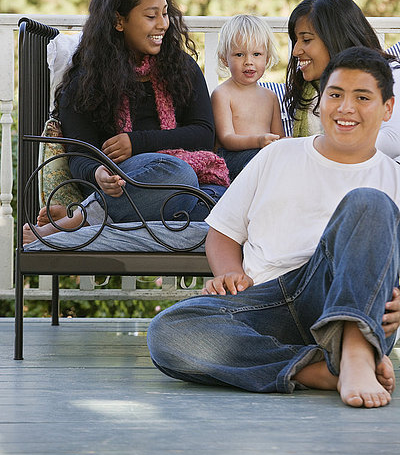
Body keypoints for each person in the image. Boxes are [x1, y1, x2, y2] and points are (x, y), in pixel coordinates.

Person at [147, 47, 400, 408]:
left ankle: (356, 352)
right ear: (322, 100)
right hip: (268, 301)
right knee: (169, 331)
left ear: (387, 108)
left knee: (368, 202)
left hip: (349, 301)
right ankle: (318, 369)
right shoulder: (278, 155)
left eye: (363, 97)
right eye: (336, 95)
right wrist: (230, 273)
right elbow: (223, 232)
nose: (346, 108)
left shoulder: (393, 178)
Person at [23, 0, 229, 244]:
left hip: (185, 180)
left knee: (213, 198)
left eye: (165, 13)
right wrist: (98, 173)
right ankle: (79, 220)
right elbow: (79, 154)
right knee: (178, 175)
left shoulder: (181, 67)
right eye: (150, 16)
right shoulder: (87, 81)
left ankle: (79, 218)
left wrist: (136, 142)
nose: (163, 24)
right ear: (119, 21)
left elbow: (204, 134)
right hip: (125, 183)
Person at [285, 0, 400, 158]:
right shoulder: (307, 88)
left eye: (306, 40)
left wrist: (317, 147)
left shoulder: (390, 73)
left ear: (335, 37)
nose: (295, 51)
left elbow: (394, 140)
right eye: (295, 41)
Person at [211, 14, 285, 181]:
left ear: (267, 58)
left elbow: (278, 137)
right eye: (239, 55)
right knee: (260, 162)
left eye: (257, 54)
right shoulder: (222, 94)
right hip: (232, 158)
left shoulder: (270, 97)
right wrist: (259, 141)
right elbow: (226, 139)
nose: (248, 62)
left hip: (263, 156)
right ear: (224, 58)